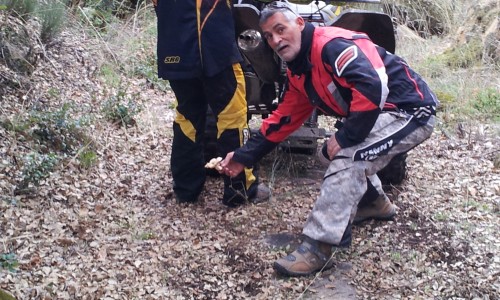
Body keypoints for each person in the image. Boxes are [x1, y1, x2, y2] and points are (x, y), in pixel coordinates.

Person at [219, 1, 438, 276]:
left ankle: (318, 247)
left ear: (299, 24)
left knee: (349, 156)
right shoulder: (300, 71)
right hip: (382, 112)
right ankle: (374, 203)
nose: (276, 40)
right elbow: (281, 121)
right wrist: (242, 157)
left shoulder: (331, 45)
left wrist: (346, 137)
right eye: (269, 36)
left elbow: (372, 86)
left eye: (280, 29)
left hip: (409, 110)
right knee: (328, 155)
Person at [153, 0, 269, 207]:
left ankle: (186, 189)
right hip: (215, 48)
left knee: (187, 118)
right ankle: (240, 191)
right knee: (232, 117)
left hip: (174, 48)